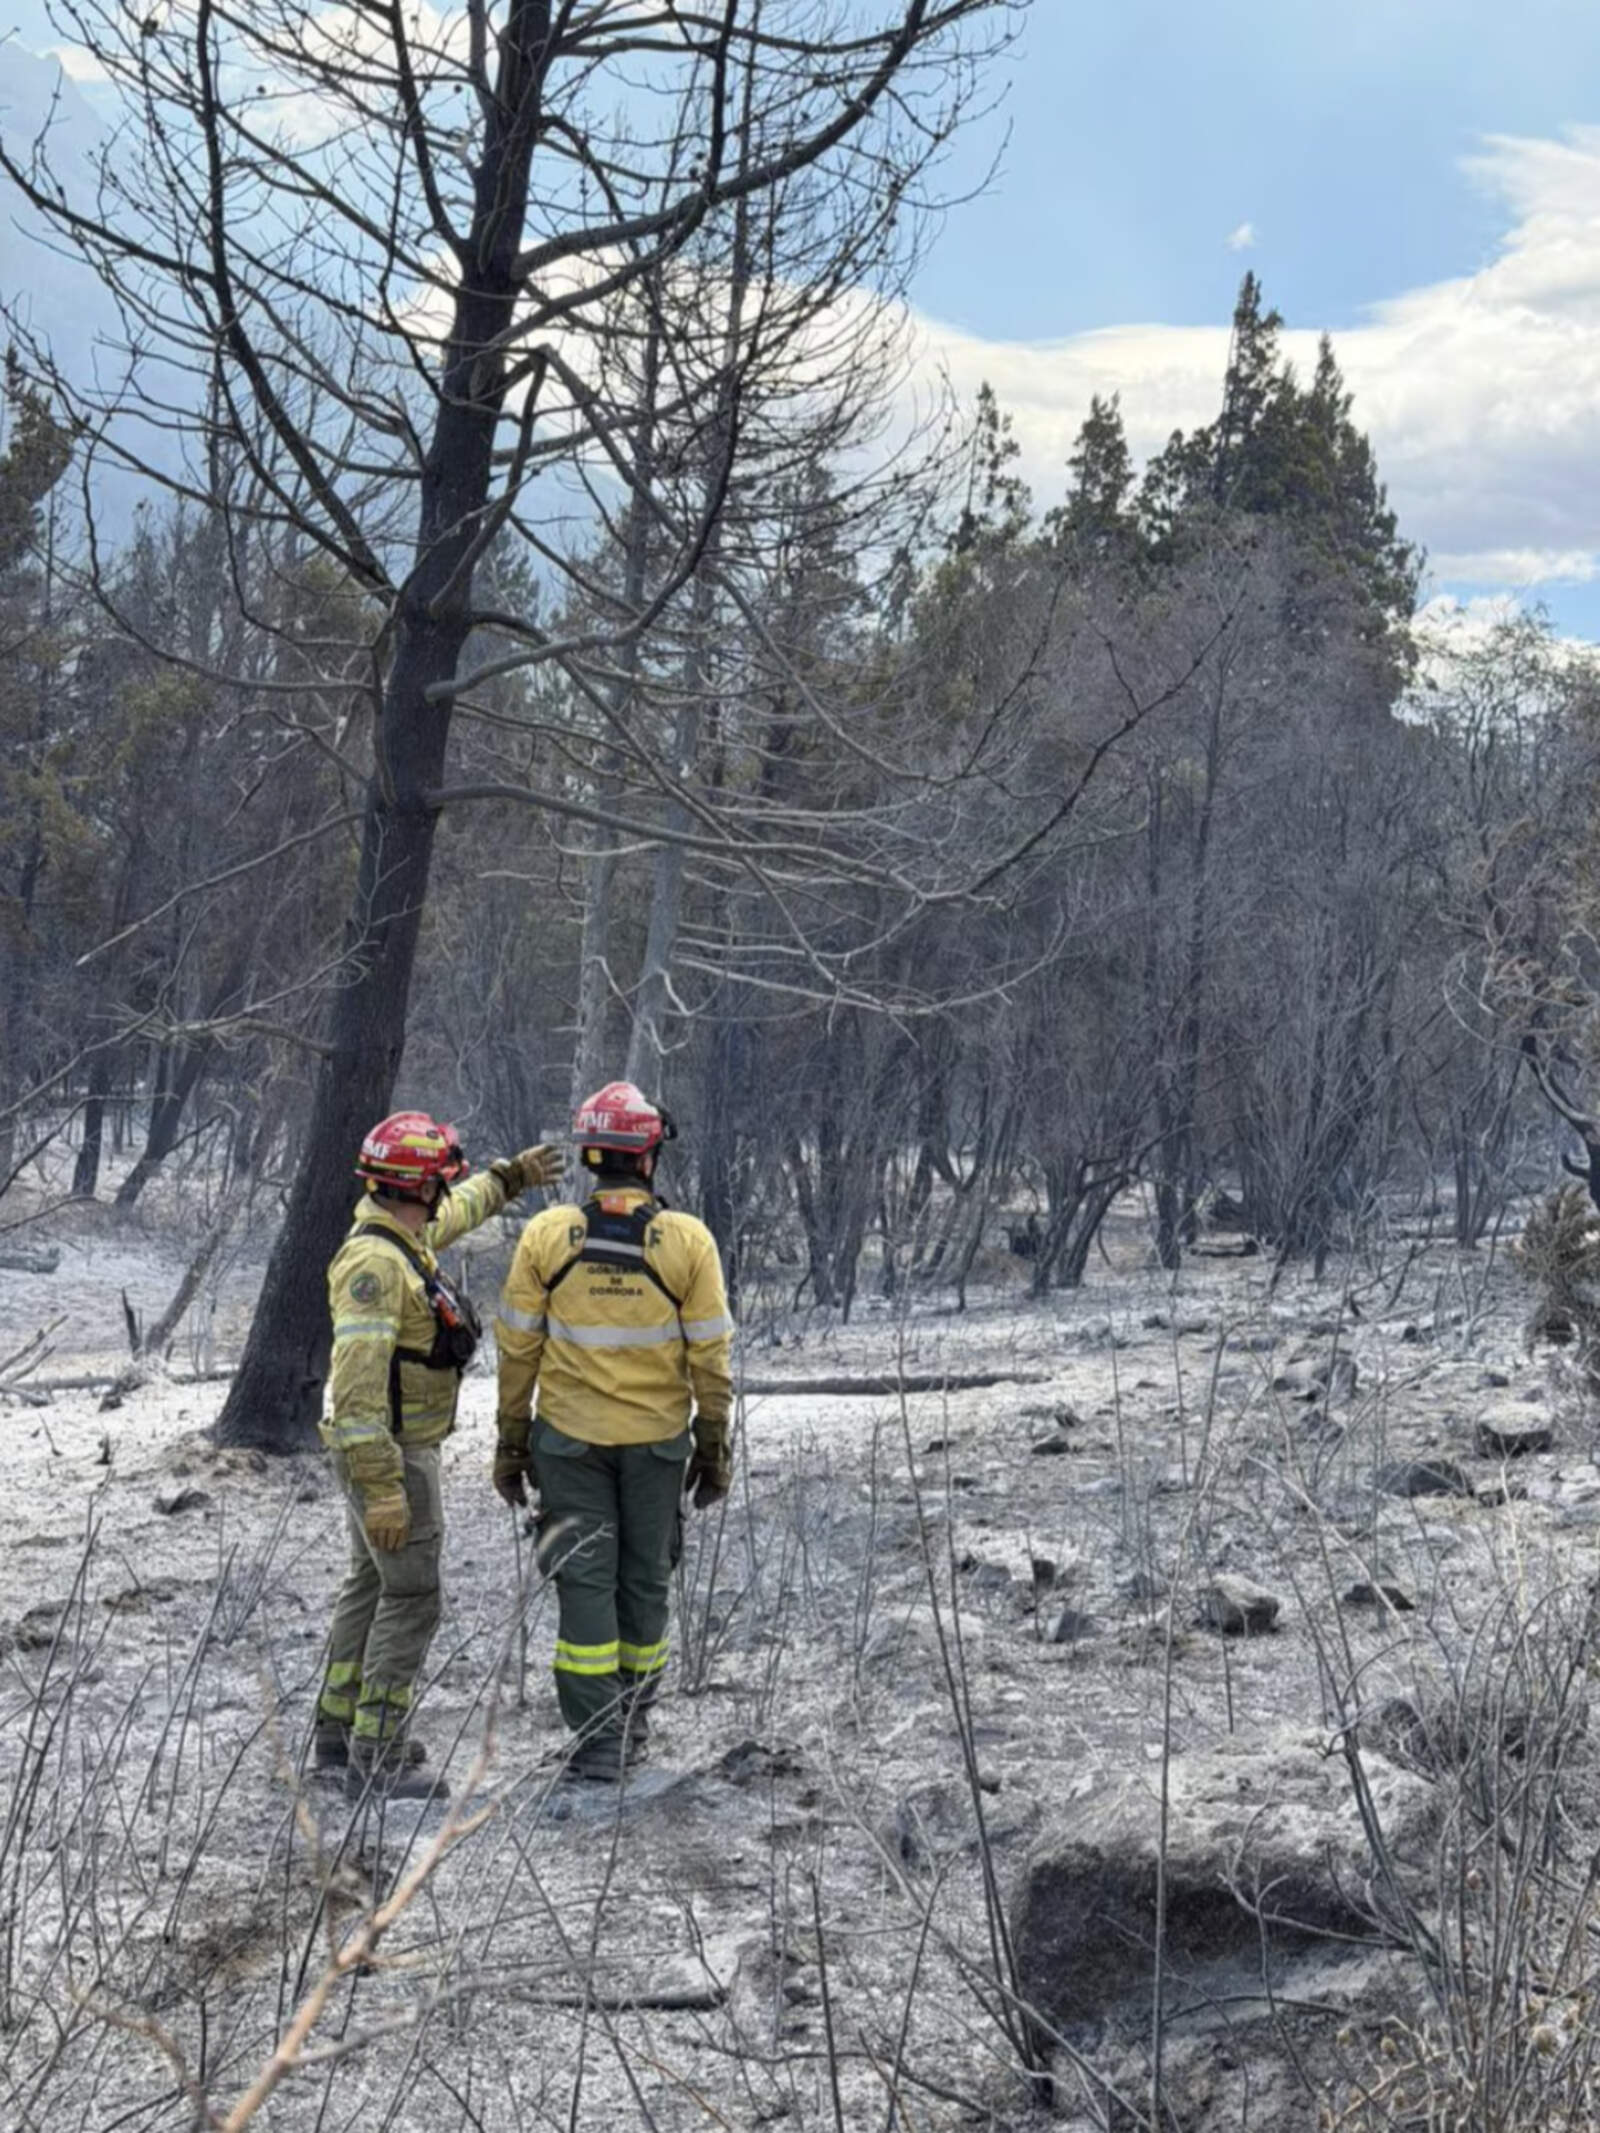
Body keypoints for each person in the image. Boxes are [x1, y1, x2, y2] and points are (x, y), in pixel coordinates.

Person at [493, 1081, 735, 1781]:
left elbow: (517, 1353)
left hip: (568, 1446)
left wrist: (510, 1443)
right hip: (658, 1448)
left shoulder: (547, 1236)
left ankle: (599, 1741)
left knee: (585, 1583)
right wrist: (714, 1446)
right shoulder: (687, 1243)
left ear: (592, 1157)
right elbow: (711, 1360)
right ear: (650, 1157)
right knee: (645, 1582)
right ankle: (631, 1720)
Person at [316, 1109, 560, 1799]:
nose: (444, 1192)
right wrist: (385, 1483)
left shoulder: (399, 1239)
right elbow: (358, 1387)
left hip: (390, 1452)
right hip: (392, 1455)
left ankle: (338, 1732)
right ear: (415, 1185)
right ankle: (381, 1751)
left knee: (369, 1585)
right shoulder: (375, 1265)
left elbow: (459, 1211)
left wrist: (509, 1179)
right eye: (439, 1181)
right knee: (413, 1596)